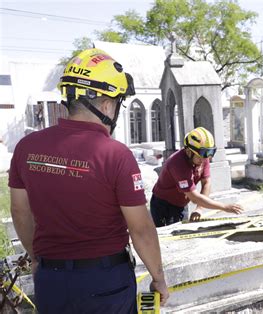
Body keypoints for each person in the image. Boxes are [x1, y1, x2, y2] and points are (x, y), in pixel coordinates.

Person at [8, 48, 169, 313]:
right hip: (105, 284)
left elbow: (19, 210)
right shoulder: (115, 154)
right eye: (117, 102)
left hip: (52, 281)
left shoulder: (26, 148)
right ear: (106, 103)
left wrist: (37, 258)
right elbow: (140, 228)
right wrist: (158, 278)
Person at [150, 127, 243, 226]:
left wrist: (199, 209)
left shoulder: (203, 156)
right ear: (188, 152)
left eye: (210, 152)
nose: (205, 158)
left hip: (181, 204)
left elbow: (206, 182)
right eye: (202, 154)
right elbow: (194, 197)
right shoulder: (177, 164)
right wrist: (224, 207)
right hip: (163, 205)